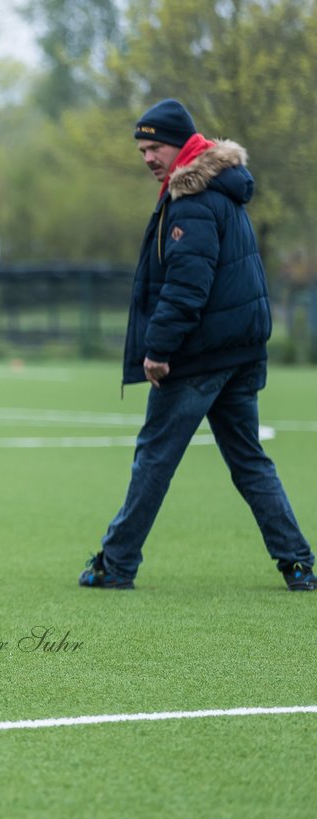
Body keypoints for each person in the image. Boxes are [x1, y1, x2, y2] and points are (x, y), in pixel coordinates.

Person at [80, 98, 315, 592]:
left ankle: (117, 563)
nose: (148, 157)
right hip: (240, 351)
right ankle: (298, 564)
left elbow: (188, 287)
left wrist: (159, 348)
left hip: (200, 355)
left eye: (155, 146)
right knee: (249, 460)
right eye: (142, 149)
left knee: (155, 457)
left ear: (182, 144)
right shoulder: (220, 190)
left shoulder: (192, 200)